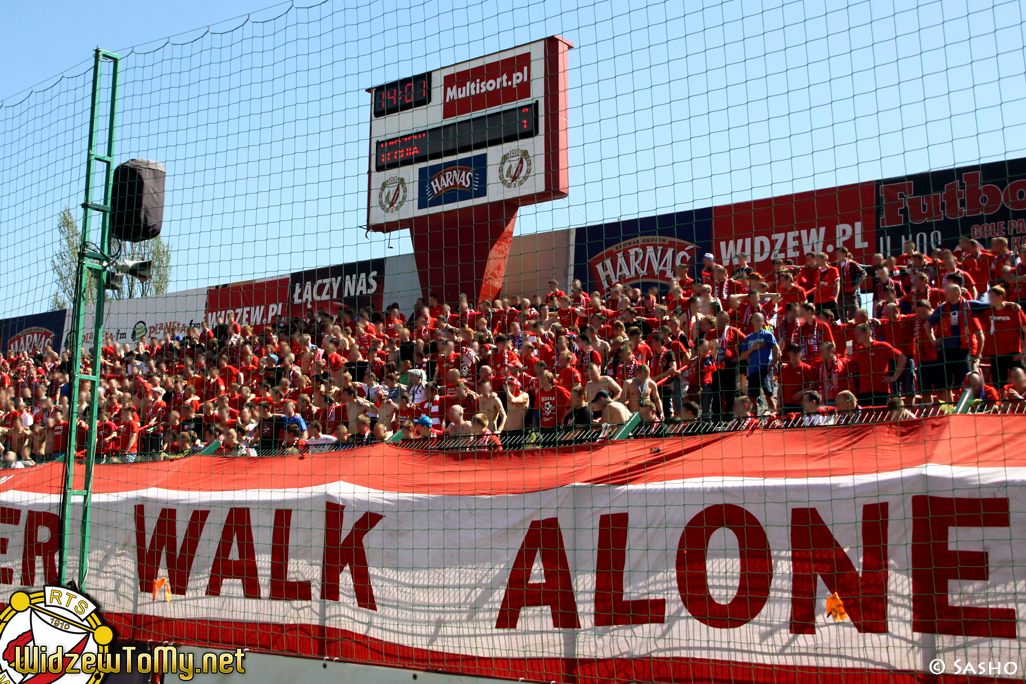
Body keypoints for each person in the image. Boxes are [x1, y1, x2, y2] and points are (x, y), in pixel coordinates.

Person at [739, 312, 779, 413]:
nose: (757, 322)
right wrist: (753, 348)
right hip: (753, 371)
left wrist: (770, 366)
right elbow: (742, 356)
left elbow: (777, 351)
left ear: (762, 322)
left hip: (764, 369)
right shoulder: (748, 338)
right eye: (755, 320)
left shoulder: (768, 335)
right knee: (752, 399)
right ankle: (753, 422)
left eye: (759, 320)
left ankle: (773, 420)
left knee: (769, 395)